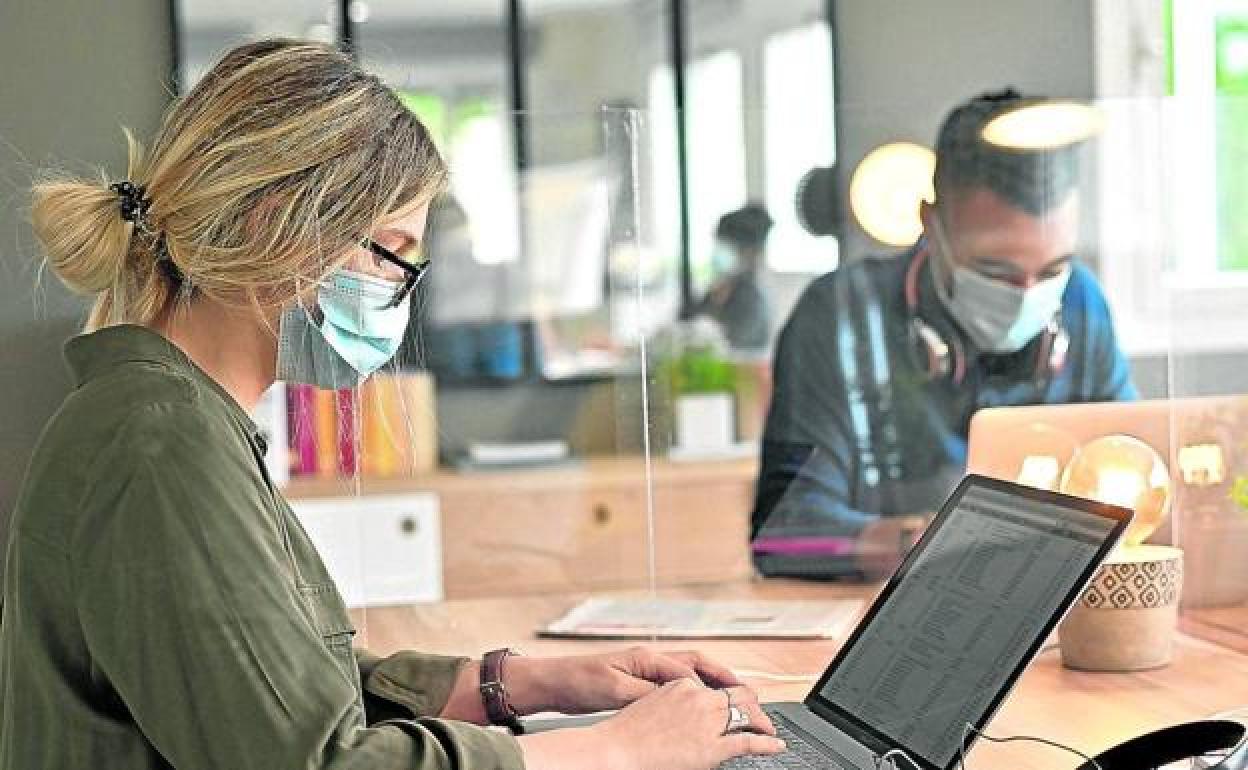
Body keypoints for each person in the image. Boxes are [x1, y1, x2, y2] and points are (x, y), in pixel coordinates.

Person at [0, 40, 785, 770]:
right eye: (392, 254)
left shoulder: (177, 417)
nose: (402, 291)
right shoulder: (160, 443)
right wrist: (617, 752)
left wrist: (528, 683)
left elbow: (286, 685)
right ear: (284, 229)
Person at [751, 89, 1136, 580]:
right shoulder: (841, 316)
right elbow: (785, 536)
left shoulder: (1081, 301)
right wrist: (925, 544)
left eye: (1052, 269)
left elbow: (1131, 462)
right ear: (931, 224)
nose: (1026, 294)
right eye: (995, 270)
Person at [695, 203, 774, 353]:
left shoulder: (752, 298)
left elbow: (728, 346)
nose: (717, 251)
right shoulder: (718, 290)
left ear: (747, 251)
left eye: (725, 245)